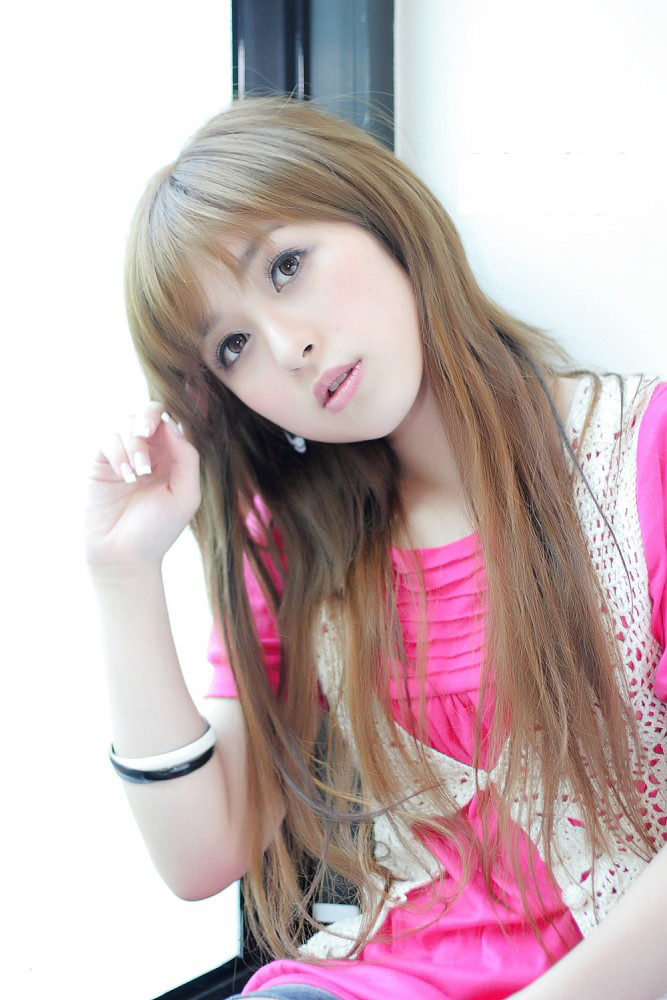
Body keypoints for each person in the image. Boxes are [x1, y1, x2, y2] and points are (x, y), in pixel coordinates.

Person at [84, 97, 667, 1000]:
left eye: (286, 266)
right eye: (232, 346)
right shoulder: (302, 545)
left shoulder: (641, 455)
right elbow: (201, 855)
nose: (288, 346)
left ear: (378, 213)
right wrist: (122, 572)